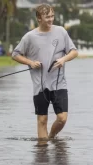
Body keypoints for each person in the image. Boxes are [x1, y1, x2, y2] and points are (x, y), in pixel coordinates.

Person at [11, 4, 78, 140]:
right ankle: (42, 155)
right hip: (40, 86)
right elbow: (15, 54)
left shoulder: (61, 32)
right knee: (42, 120)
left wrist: (63, 59)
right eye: (47, 17)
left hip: (59, 84)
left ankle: (51, 136)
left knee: (62, 118)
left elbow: (74, 52)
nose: (50, 19)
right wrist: (30, 62)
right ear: (38, 18)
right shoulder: (29, 37)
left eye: (52, 16)